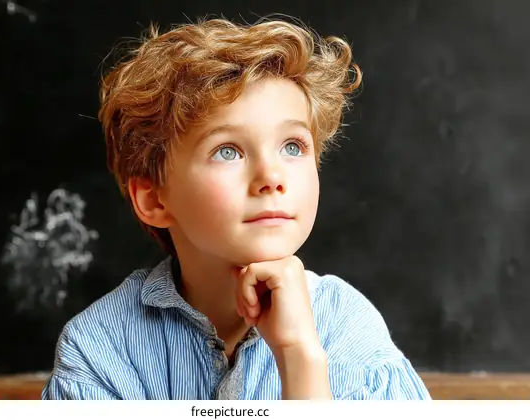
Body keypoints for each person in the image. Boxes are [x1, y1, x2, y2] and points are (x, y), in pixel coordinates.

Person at [41, 17, 431, 400]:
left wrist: (299, 357)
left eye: (292, 146)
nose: (271, 177)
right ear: (154, 199)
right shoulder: (100, 350)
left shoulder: (348, 328)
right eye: (227, 151)